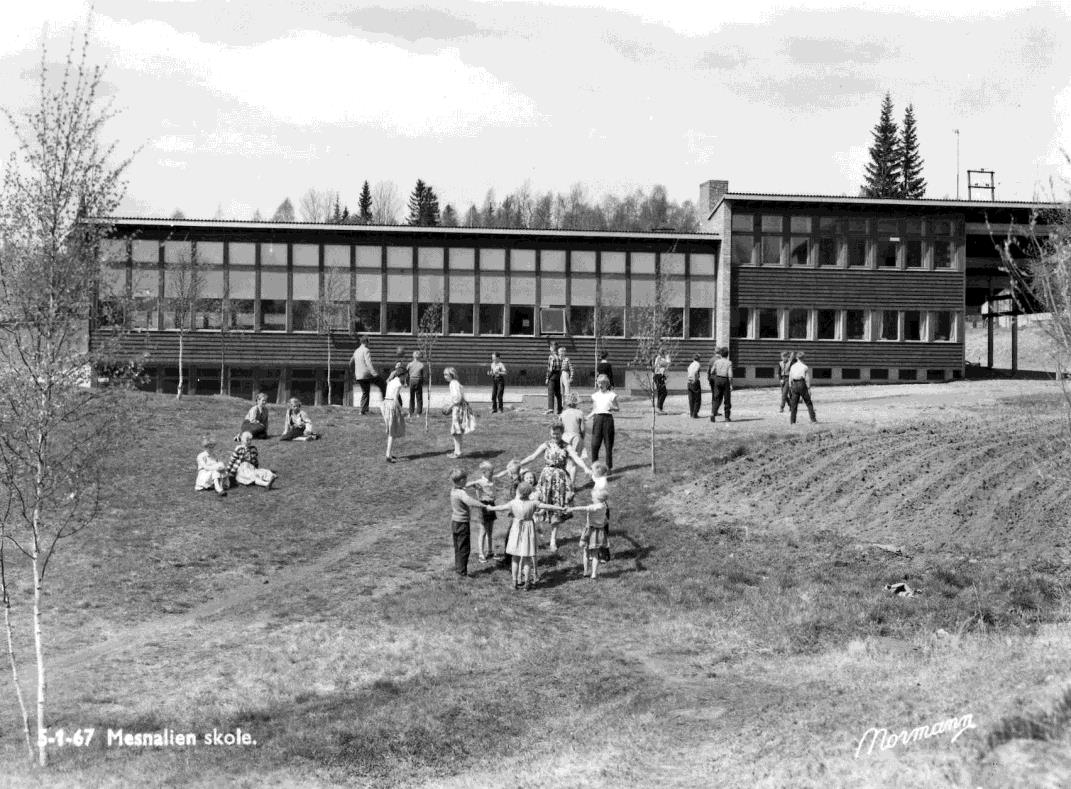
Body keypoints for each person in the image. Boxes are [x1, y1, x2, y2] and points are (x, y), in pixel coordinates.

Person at [517, 420, 591, 553]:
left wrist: (585, 467)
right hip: (545, 479)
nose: (555, 436)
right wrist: (519, 464)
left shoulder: (566, 446)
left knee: (557, 510)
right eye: (553, 433)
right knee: (536, 506)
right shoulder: (546, 445)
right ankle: (534, 536)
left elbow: (576, 458)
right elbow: (533, 456)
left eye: (557, 434)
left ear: (562, 433)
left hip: (560, 481)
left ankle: (553, 540)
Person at [487, 482, 566, 590]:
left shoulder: (513, 503)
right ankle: (527, 583)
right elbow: (547, 506)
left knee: (515, 558)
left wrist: (490, 508)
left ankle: (514, 582)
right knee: (527, 558)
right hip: (528, 530)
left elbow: (501, 507)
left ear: (518, 491)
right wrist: (560, 508)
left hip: (516, 530)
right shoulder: (534, 503)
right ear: (529, 493)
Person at [568, 461, 610, 579]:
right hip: (599, 531)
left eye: (593, 496)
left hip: (589, 530)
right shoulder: (604, 506)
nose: (591, 496)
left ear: (597, 498)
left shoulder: (594, 507)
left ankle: (586, 570)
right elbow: (606, 519)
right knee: (595, 553)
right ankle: (594, 574)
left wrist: (572, 508)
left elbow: (582, 508)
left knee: (585, 551)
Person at [449, 468, 486, 578]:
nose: (466, 481)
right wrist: (483, 505)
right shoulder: (461, 493)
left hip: (454, 522)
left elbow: (465, 486)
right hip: (462, 524)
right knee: (464, 548)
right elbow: (469, 501)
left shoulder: (453, 490)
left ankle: (458, 568)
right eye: (465, 479)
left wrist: (473, 484)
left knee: (458, 547)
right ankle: (462, 573)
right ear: (461, 481)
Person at [587, 374, 619, 471]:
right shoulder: (595, 396)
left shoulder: (612, 395)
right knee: (595, 444)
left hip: (607, 420)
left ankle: (609, 467)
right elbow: (594, 409)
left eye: (603, 383)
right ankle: (594, 467)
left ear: (607, 384)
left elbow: (617, 408)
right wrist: (587, 417)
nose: (601, 385)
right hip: (597, 419)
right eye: (599, 383)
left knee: (608, 444)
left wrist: (612, 407)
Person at [466, 461, 497, 562]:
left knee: (490, 531)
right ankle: (481, 553)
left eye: (492, 471)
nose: (492, 473)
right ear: (484, 472)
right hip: (483, 506)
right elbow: (466, 485)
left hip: (491, 505)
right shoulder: (480, 481)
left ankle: (490, 551)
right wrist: (475, 485)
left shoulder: (492, 480)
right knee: (483, 531)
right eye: (490, 471)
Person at [442, 367, 476, 459]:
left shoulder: (453, 383)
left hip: (458, 408)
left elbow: (458, 398)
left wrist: (450, 406)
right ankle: (457, 451)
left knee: (456, 431)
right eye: (444, 374)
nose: (444, 376)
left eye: (446, 374)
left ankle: (457, 452)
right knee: (457, 431)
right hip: (460, 407)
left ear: (451, 375)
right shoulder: (455, 383)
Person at [350, 335, 385, 415]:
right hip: (366, 374)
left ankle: (362, 411)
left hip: (358, 376)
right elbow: (368, 363)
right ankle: (385, 405)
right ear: (366, 342)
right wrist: (374, 373)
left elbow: (351, 362)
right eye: (368, 341)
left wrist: (353, 371)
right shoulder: (366, 350)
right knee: (382, 384)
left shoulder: (356, 351)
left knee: (365, 392)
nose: (369, 343)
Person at [558, 392, 586, 485]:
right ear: (576, 402)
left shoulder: (563, 414)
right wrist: (582, 437)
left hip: (565, 436)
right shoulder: (579, 413)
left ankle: (565, 483)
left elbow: (559, 427)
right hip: (575, 437)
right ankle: (572, 484)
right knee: (573, 462)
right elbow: (582, 429)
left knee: (565, 461)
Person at [382, 362, 407, 462]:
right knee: (392, 432)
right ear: (403, 375)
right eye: (406, 376)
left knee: (392, 431)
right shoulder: (397, 384)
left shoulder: (392, 381)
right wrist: (402, 410)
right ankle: (388, 455)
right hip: (392, 405)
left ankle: (389, 453)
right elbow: (395, 399)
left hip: (387, 404)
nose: (406, 378)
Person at [788, 350, 818, 424]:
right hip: (801, 383)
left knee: (794, 404)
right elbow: (807, 378)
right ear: (803, 358)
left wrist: (790, 387)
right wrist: (809, 388)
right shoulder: (805, 367)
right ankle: (813, 419)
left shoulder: (793, 366)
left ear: (797, 358)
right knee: (808, 402)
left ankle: (792, 421)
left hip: (794, 383)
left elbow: (790, 377)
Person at [709, 347, 733, 423]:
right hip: (725, 380)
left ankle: (713, 413)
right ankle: (727, 417)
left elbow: (712, 371)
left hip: (717, 379)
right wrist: (731, 384)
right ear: (727, 354)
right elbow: (730, 374)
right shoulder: (729, 362)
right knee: (727, 399)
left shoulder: (717, 362)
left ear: (721, 354)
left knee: (716, 397)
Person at [545, 341, 563, 415]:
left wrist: (547, 377)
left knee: (551, 392)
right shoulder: (559, 356)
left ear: (551, 348)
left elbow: (550, 369)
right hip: (558, 375)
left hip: (552, 376)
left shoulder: (551, 357)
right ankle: (559, 409)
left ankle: (550, 409)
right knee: (558, 393)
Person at [407, 350, 426, 417]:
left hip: (412, 380)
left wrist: (405, 382)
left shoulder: (409, 364)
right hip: (418, 380)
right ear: (419, 356)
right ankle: (418, 413)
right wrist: (423, 382)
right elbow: (423, 375)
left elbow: (407, 374)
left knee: (411, 397)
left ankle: (410, 413)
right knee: (419, 397)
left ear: (413, 356)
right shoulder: (421, 365)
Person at [686, 354, 702, 419]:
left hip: (689, 382)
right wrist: (695, 379)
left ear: (693, 359)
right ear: (698, 359)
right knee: (697, 399)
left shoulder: (691, 364)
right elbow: (695, 372)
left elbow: (688, 370)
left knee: (691, 399)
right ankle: (695, 414)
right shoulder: (698, 364)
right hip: (694, 382)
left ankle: (691, 413)